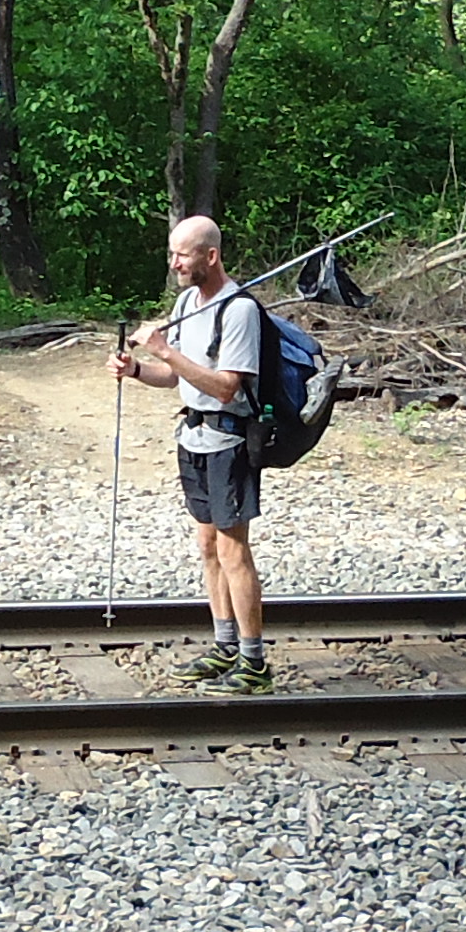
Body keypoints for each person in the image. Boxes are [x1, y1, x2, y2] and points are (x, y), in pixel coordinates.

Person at [113, 215, 271, 691]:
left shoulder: (239, 311)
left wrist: (165, 351)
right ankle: (224, 646)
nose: (174, 263)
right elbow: (179, 378)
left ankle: (255, 661)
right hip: (194, 437)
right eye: (171, 253)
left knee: (232, 549)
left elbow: (226, 387)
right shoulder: (187, 301)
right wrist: (139, 369)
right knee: (206, 546)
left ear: (210, 256)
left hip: (229, 440)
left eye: (182, 255)